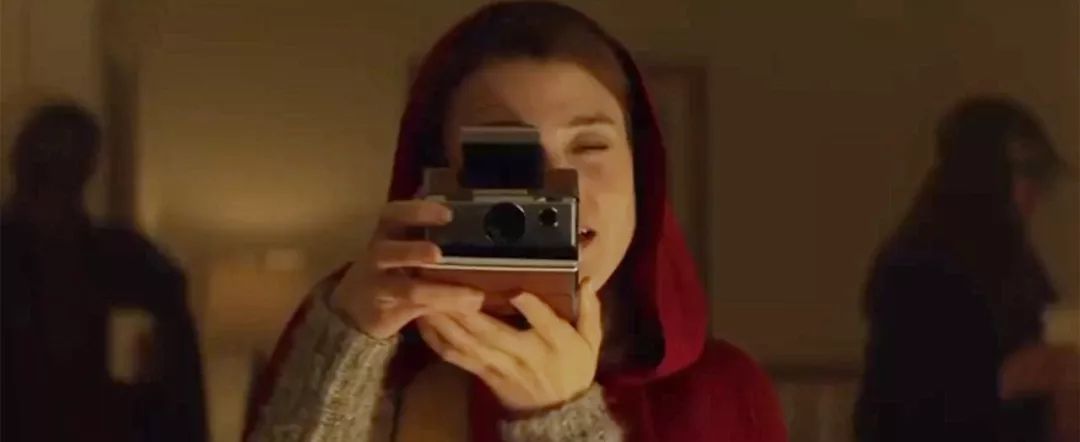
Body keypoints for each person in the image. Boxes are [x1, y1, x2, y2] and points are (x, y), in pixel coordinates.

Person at [245, 2, 787, 441]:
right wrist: (344, 351)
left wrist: (561, 419)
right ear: (439, 176)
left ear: (640, 175)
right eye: (506, 153)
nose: (557, 186)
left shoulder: (723, 394)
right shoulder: (356, 337)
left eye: (590, 145)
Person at [854, 96, 1077, 441]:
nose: (1035, 192)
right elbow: (896, 405)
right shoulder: (917, 265)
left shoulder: (1019, 265)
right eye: (1026, 173)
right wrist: (1004, 380)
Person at [1, 103, 208, 442]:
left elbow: (177, 385)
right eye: (49, 161)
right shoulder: (131, 260)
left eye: (69, 161)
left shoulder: (132, 261)